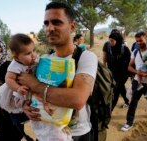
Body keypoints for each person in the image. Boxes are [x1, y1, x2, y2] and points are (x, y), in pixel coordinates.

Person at [18, 2, 98, 141]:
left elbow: (78, 99)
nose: (50, 28)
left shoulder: (85, 57)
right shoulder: (44, 59)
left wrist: (35, 85)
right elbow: (29, 92)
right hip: (46, 133)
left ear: (72, 27)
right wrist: (26, 106)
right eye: (46, 23)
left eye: (56, 22)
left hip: (76, 134)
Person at [121, 31, 147, 132]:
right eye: (137, 41)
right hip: (138, 80)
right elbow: (129, 67)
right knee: (133, 101)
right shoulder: (135, 52)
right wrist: (138, 72)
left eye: (141, 40)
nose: (139, 43)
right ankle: (129, 122)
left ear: (146, 38)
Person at [1, 33, 36, 141]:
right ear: (16, 57)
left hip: (32, 90)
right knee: (18, 104)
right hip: (20, 92)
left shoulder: (34, 59)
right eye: (28, 53)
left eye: (34, 50)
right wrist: (17, 88)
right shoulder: (14, 66)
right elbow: (9, 79)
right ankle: (20, 122)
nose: (33, 55)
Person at [103, 31, 131, 109]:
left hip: (123, 74)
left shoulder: (124, 48)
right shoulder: (108, 47)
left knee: (116, 89)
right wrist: (105, 67)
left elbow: (130, 61)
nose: (110, 42)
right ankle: (127, 101)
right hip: (112, 72)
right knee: (120, 88)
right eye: (109, 40)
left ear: (117, 40)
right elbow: (105, 57)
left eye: (112, 40)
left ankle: (110, 110)